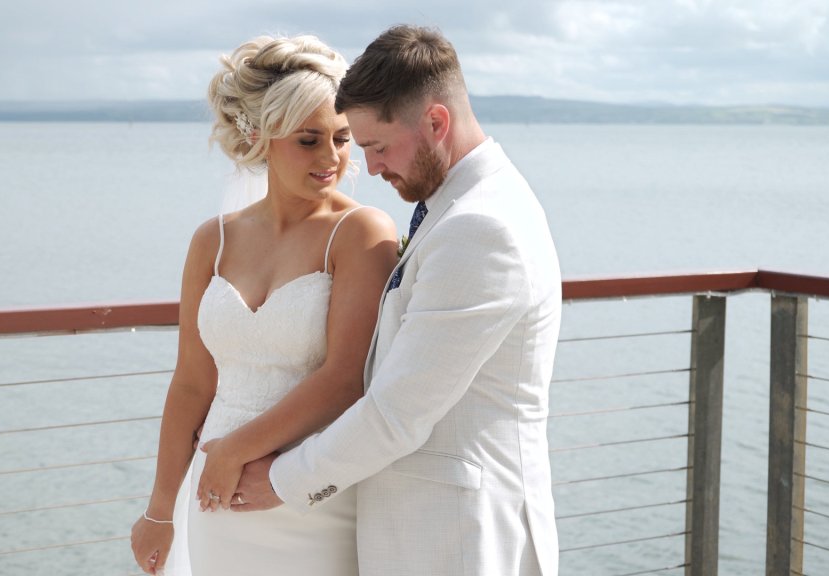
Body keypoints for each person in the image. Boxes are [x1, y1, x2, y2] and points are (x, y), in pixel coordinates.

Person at [203, 25, 563, 576]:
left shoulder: (479, 228)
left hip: (457, 539)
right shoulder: (465, 205)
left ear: (436, 123)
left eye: (375, 146)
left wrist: (280, 481)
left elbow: (398, 413)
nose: (368, 167)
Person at [129, 34, 398, 575]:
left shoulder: (361, 232)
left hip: (306, 493)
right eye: (309, 140)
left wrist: (235, 450)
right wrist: (160, 509)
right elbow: (192, 383)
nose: (331, 158)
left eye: (342, 138)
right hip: (216, 497)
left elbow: (346, 378)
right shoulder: (213, 240)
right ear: (260, 137)